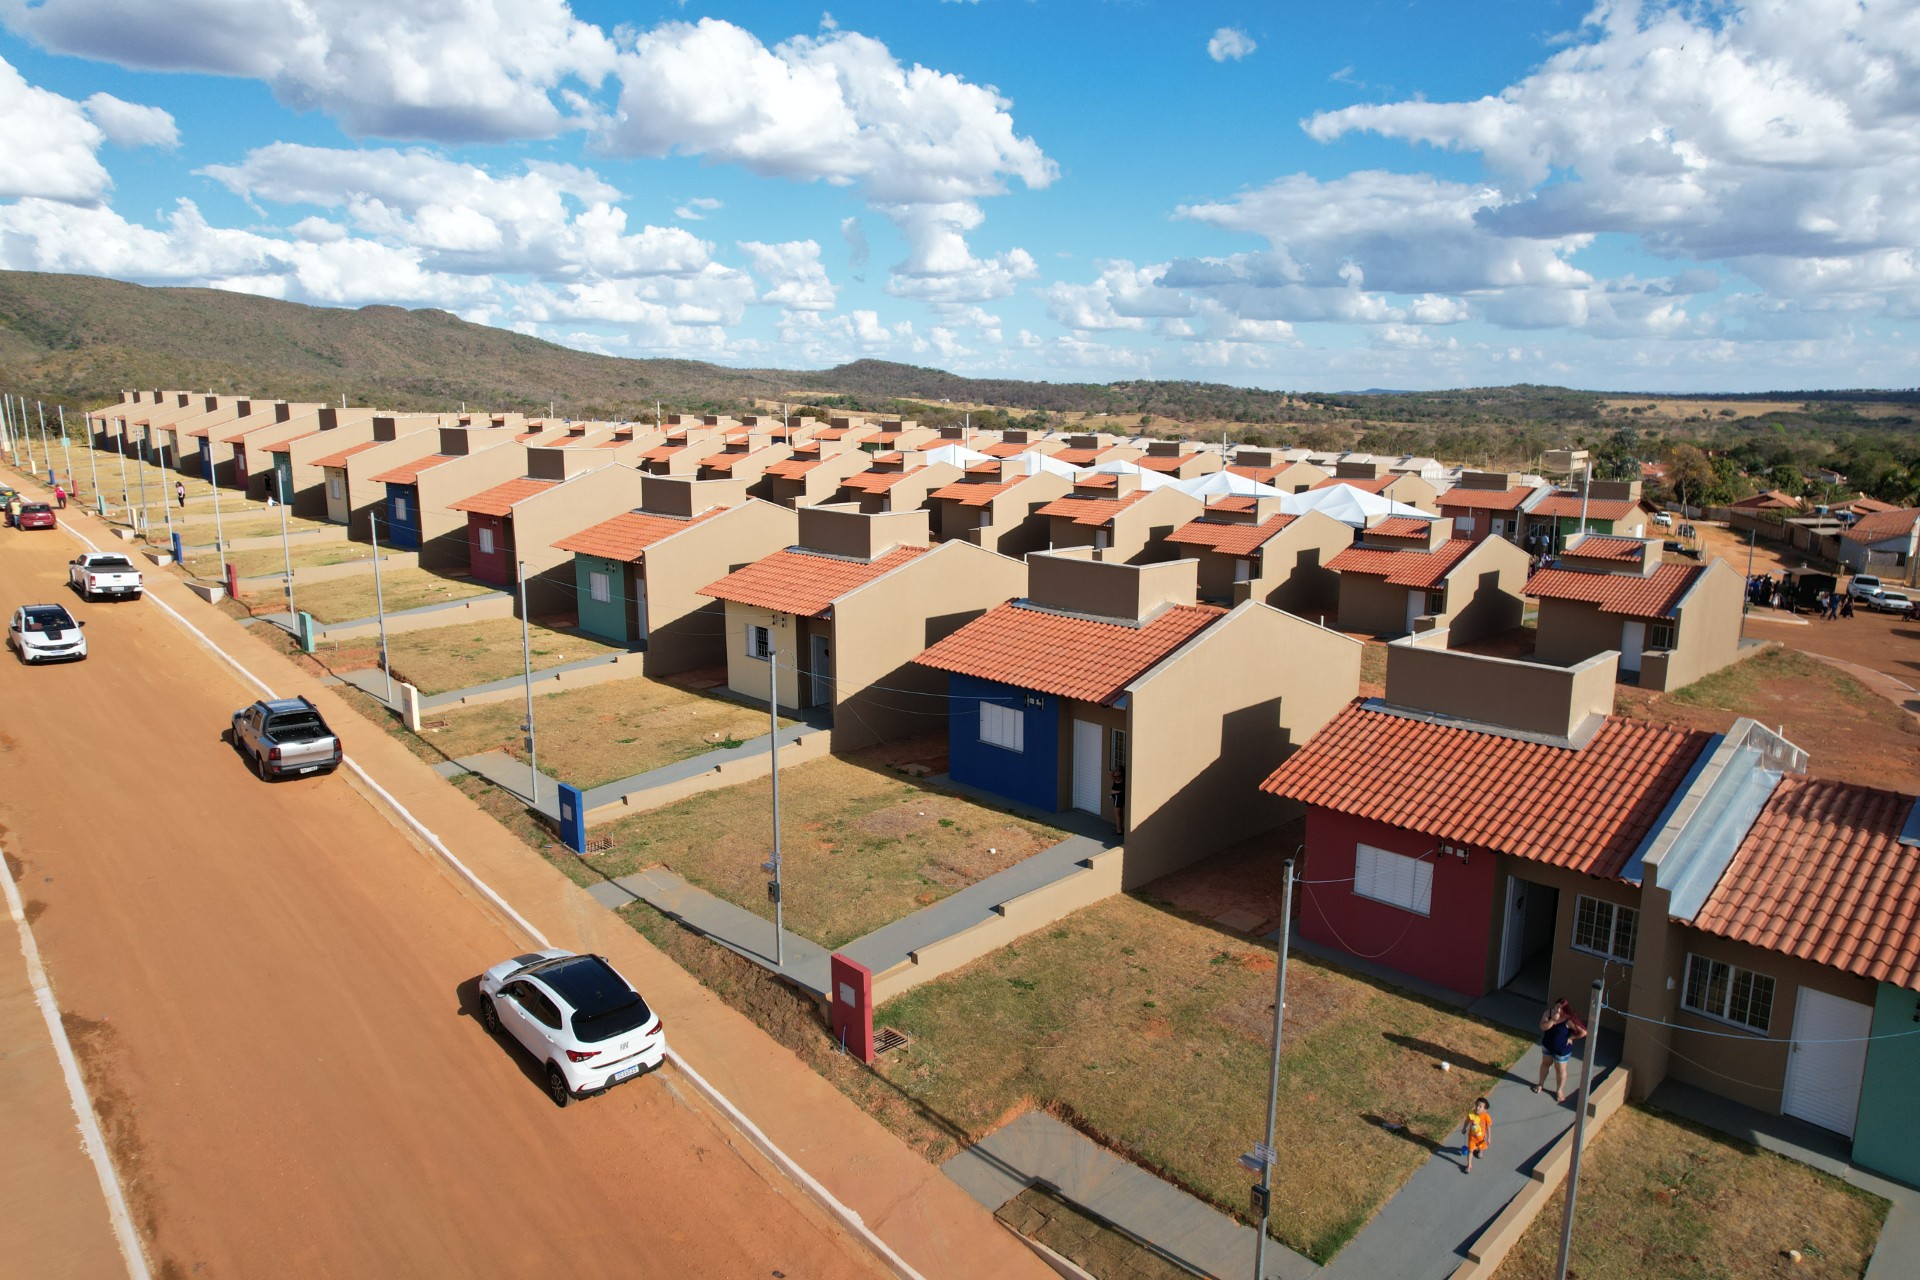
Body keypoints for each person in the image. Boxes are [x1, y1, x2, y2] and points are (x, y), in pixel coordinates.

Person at [1534, 997, 1588, 1103]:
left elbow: (1583, 1032)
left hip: (1562, 1051)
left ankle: (1559, 1091)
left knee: (1560, 1070)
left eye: (1562, 1008)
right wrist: (1553, 1020)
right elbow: (1543, 1027)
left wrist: (1571, 1038)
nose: (1559, 1010)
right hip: (1548, 1046)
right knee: (1545, 1064)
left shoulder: (1568, 1020)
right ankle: (1540, 1084)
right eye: (1557, 1006)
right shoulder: (1548, 1013)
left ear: (1566, 1010)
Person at [1459, 1097, 1491, 1175]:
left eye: (1480, 1106)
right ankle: (1469, 1165)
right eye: (1476, 1105)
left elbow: (1488, 1127)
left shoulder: (1486, 1116)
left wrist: (1489, 1137)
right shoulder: (1471, 1114)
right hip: (1472, 1137)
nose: (1477, 1107)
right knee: (1470, 1150)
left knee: (1480, 1147)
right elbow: (1467, 1121)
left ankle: (1480, 1151)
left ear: (1485, 1109)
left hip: (1481, 1137)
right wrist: (1464, 1128)